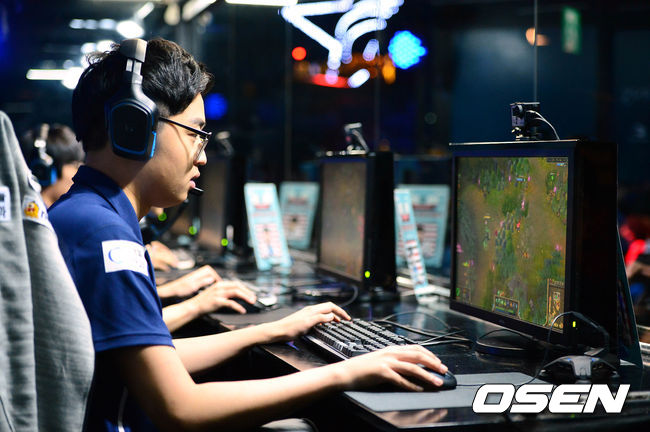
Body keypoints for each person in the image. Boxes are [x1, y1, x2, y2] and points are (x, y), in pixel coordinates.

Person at [49, 37, 448, 431]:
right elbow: (181, 408)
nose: (203, 156)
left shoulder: (85, 216)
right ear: (134, 126)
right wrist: (346, 373)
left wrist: (267, 331)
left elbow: (155, 361)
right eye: (194, 133)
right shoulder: (105, 236)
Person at [20, 122, 255, 331]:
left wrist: (165, 286)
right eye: (192, 134)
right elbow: (127, 335)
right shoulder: (97, 226)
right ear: (44, 171)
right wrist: (198, 306)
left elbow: (111, 316)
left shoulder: (62, 216)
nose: (201, 158)